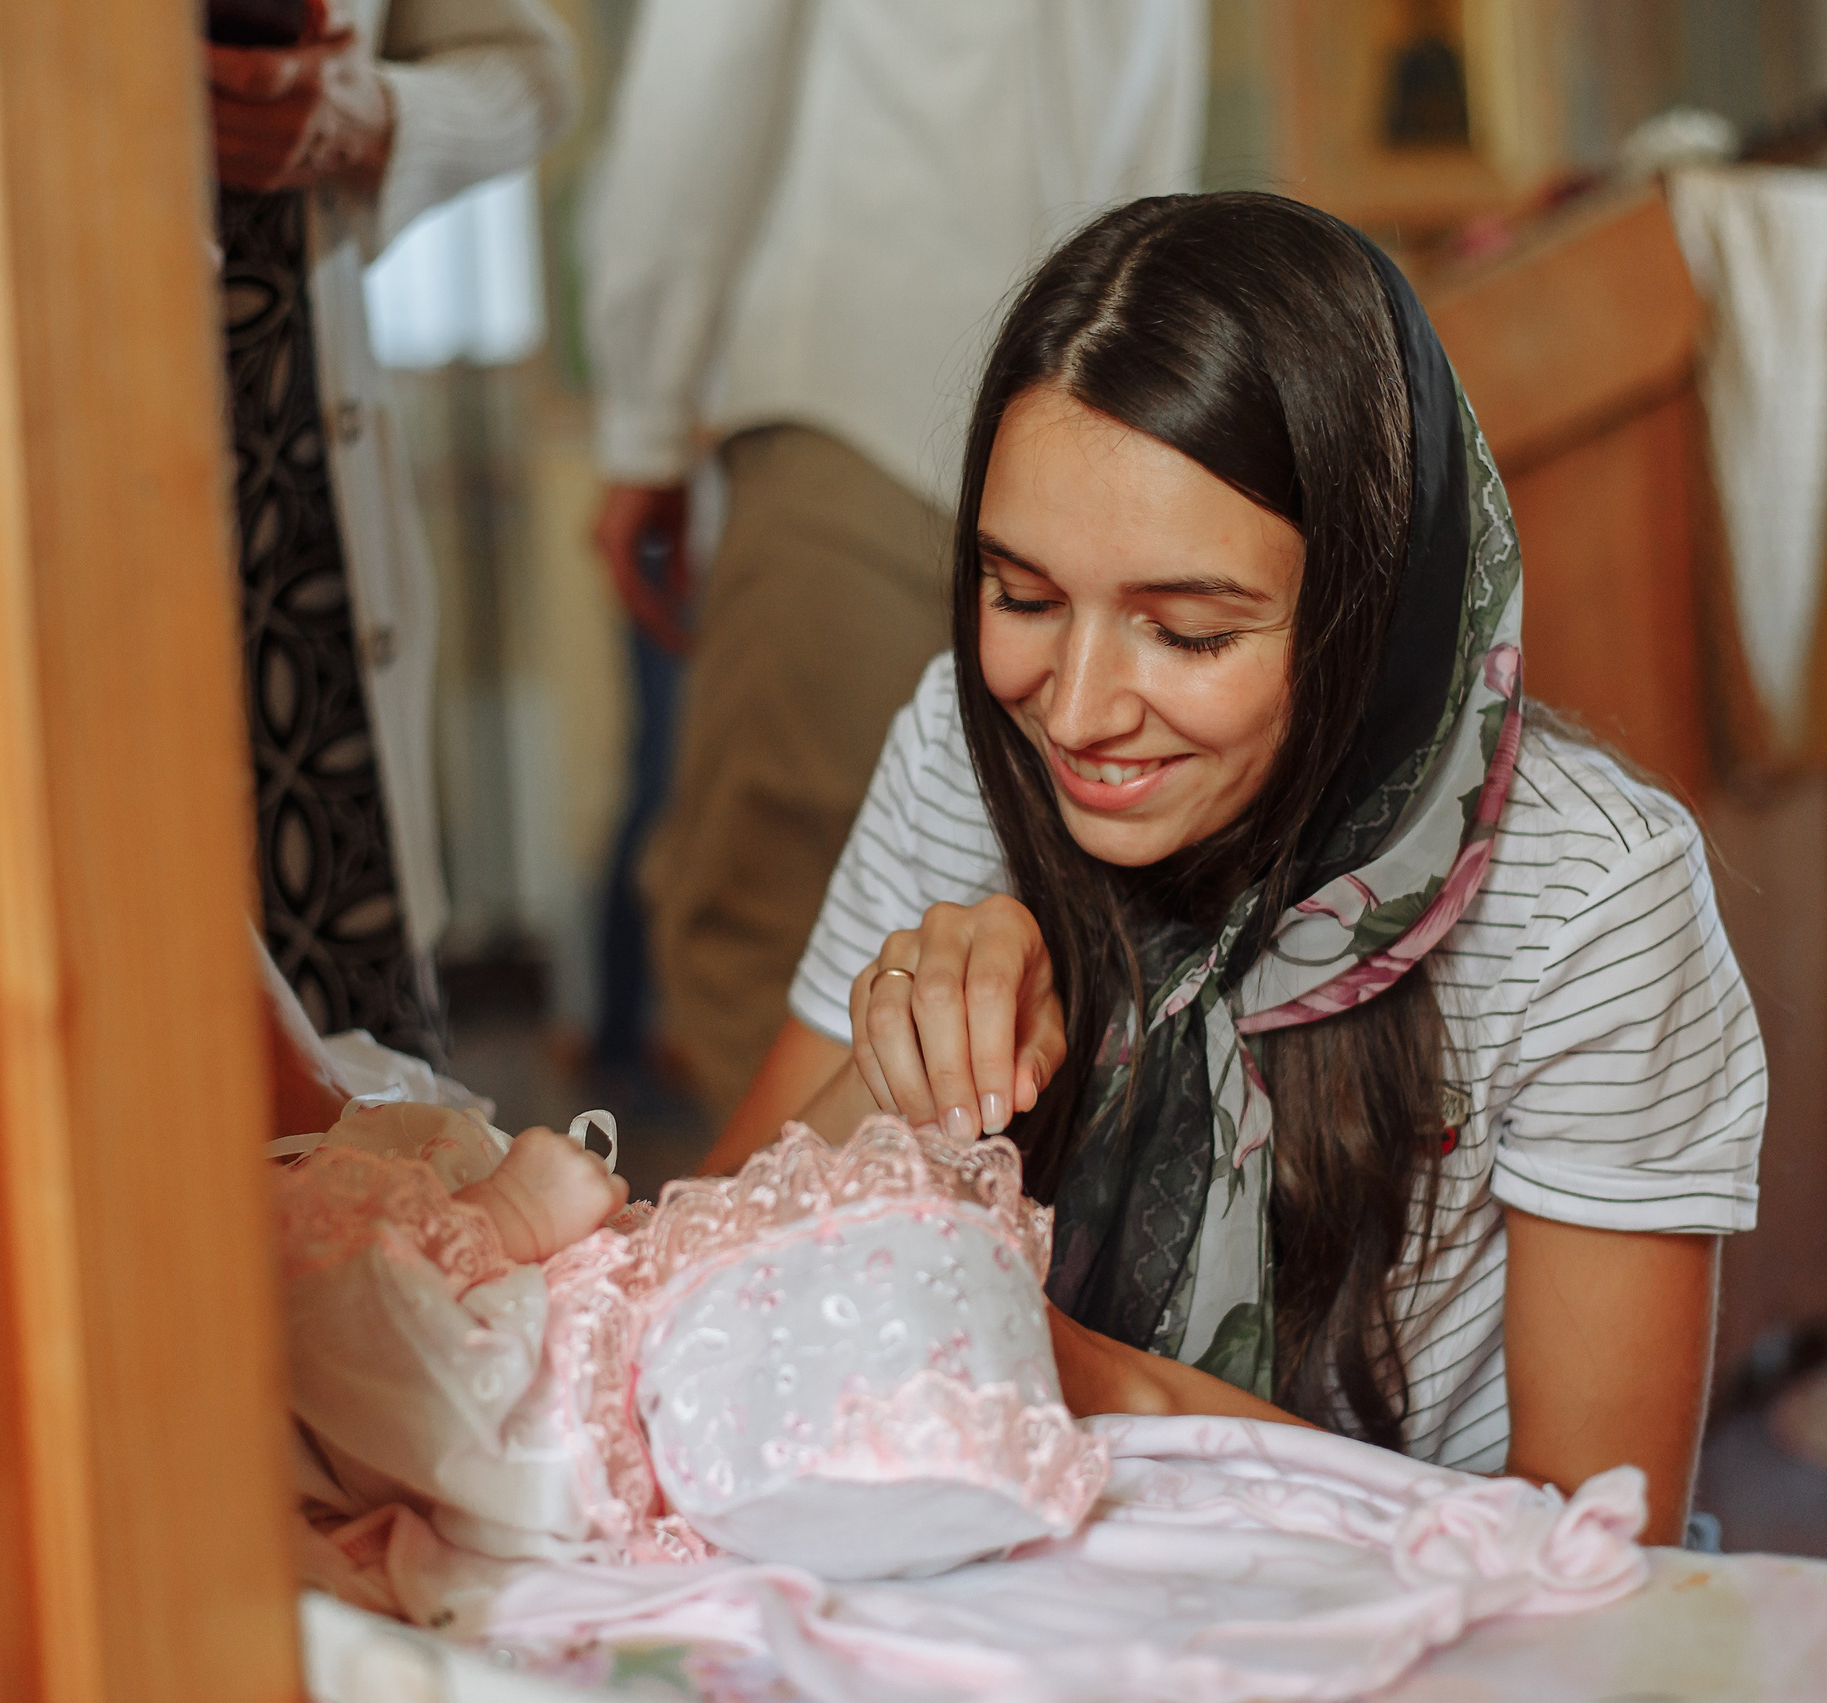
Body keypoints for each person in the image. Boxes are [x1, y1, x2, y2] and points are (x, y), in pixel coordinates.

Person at [712, 193, 1768, 1548]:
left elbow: (1593, 1552)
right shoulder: (970, 745)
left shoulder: (1589, 901)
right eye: (1022, 596)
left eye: (1189, 632)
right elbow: (686, 1298)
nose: (1079, 709)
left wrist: (1095, 1383)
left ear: (1368, 612)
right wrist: (904, 1063)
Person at [581, 0, 1209, 1118]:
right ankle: (965, 1270)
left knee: (766, 924)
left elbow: (709, 59)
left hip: (856, 387)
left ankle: (819, 1282)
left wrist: (643, 406)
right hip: (1086, 430)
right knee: (1050, 916)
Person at [210, 0, 577, 1061]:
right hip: (44, 495)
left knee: (364, 1105)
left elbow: (533, 68)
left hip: (296, 530)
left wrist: (373, 117)